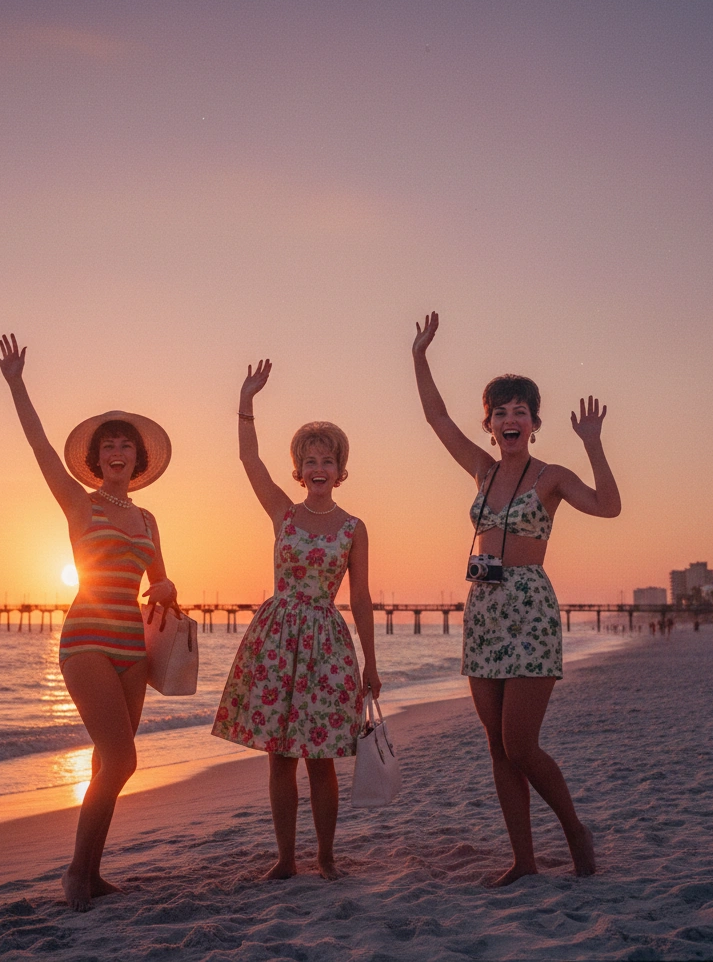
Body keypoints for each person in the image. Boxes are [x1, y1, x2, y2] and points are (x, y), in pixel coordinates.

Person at [412, 311, 621, 886]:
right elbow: (435, 418)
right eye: (500, 412)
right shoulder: (482, 471)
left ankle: (575, 828)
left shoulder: (550, 476)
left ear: (533, 423)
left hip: (529, 610)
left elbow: (608, 506)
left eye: (519, 411)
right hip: (483, 609)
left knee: (521, 744)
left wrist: (594, 444)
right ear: (491, 424)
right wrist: (420, 355)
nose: (510, 418)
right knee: (496, 747)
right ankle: (523, 860)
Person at [0, 333, 177, 911]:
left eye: (126, 445)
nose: (117, 453)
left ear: (137, 459)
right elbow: (41, 446)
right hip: (86, 641)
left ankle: (93, 873)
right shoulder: (81, 504)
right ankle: (76, 872)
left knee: (107, 761)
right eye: (109, 446)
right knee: (123, 759)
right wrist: (17, 383)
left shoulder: (148, 518)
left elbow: (161, 584)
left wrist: (168, 587)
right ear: (97, 459)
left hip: (132, 645)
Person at [212, 359, 381, 881]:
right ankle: (285, 858)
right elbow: (247, 458)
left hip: (326, 646)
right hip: (276, 638)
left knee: (321, 760)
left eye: (326, 459)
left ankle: (326, 857)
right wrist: (247, 399)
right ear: (299, 469)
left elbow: (361, 598)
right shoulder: (283, 513)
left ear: (340, 469)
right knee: (279, 758)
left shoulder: (353, 527)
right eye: (309, 459)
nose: (317, 467)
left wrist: (370, 663)